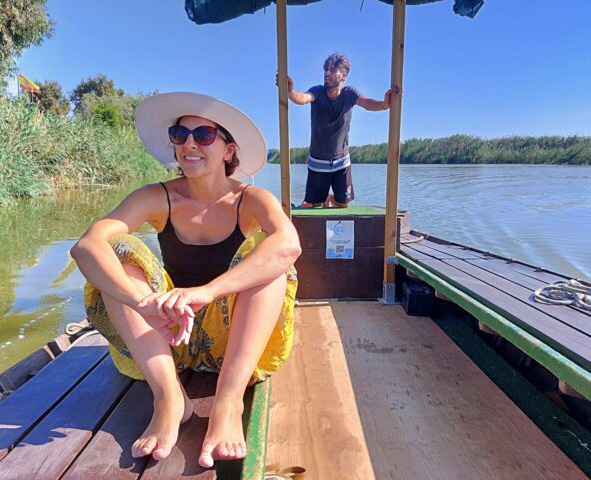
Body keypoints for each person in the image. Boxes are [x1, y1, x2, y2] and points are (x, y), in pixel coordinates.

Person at [70, 92, 301, 468]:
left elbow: (289, 245)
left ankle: (228, 401)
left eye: (204, 135)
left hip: (234, 343)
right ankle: (168, 397)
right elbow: (86, 246)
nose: (189, 144)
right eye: (180, 134)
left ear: (229, 150)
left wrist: (206, 292)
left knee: (272, 256)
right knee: (117, 248)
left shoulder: (252, 199)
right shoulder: (157, 197)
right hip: (164, 337)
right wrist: (141, 301)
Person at [280, 52, 391, 207]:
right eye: (326, 70)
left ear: (343, 76)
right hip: (317, 162)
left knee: (343, 205)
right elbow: (303, 98)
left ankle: (329, 199)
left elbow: (367, 103)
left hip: (341, 162)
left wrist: (385, 104)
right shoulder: (318, 91)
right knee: (314, 206)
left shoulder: (349, 94)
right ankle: (318, 200)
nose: (327, 73)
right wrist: (290, 92)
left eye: (332, 70)